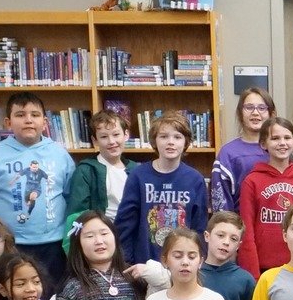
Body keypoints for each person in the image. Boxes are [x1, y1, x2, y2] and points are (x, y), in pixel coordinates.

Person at [0, 92, 74, 287]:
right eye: (20, 115)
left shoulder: (60, 155)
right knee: (14, 294)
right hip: (11, 244)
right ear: (8, 122)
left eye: (34, 115)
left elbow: (69, 196)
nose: (28, 120)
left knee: (52, 294)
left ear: (44, 122)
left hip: (53, 244)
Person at [117, 113, 210, 267]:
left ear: (186, 142)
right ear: (154, 140)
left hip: (182, 265)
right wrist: (126, 263)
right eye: (164, 136)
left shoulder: (195, 179)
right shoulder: (138, 176)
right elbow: (125, 225)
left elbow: (199, 227)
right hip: (144, 264)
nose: (170, 142)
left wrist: (197, 263)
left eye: (177, 137)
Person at [235, 118, 293, 276]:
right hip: (264, 269)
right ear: (263, 144)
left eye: (287, 138)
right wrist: (252, 273)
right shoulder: (252, 181)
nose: (282, 143)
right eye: (275, 138)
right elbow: (247, 229)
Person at [62, 111, 131, 236]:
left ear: (126, 135)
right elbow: (77, 214)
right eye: (104, 137)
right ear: (95, 140)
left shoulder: (135, 169)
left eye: (116, 134)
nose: (111, 141)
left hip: (130, 235)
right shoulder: (86, 171)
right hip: (100, 237)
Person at [209, 87, 274, 216]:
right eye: (249, 107)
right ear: (240, 113)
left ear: (271, 114)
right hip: (240, 228)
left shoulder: (281, 149)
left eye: (262, 108)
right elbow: (221, 207)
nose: (255, 113)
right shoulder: (228, 154)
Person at [199, 212, 256, 300]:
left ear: (238, 245)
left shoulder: (245, 280)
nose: (226, 242)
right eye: (220, 235)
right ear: (207, 236)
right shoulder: (193, 275)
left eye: (233, 239)